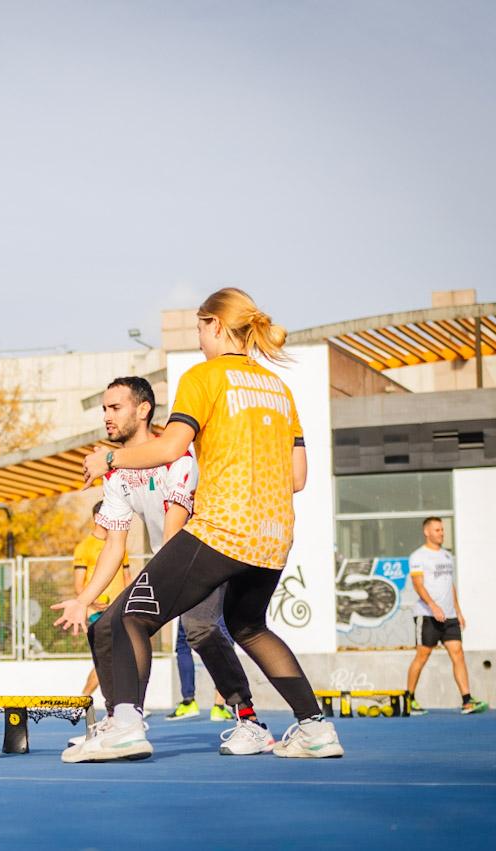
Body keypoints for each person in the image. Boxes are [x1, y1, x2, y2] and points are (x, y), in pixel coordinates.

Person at [55, 287, 343, 762]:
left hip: (219, 528)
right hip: (272, 534)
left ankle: (125, 723)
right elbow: (297, 478)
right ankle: (314, 727)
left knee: (129, 615)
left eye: (198, 327)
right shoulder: (278, 388)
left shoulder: (204, 377)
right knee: (248, 626)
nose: (198, 337)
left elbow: (170, 449)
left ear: (213, 325)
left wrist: (110, 457)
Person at [61, 376, 258, 761]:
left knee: (199, 629)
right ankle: (122, 721)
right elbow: (115, 544)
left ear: (143, 409)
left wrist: (156, 583)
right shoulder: (117, 475)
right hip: (168, 561)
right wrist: (83, 599)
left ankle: (249, 720)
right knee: (104, 625)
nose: (107, 417)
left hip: (205, 555)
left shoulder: (177, 457)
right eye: (104, 409)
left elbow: (174, 529)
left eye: (115, 408)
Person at [404, 517, 488, 716]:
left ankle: (467, 700)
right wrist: (433, 606)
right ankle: (409, 699)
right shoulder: (418, 556)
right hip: (428, 615)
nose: (441, 533)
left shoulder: (447, 556)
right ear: (427, 532)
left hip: (449, 617)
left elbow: (450, 585)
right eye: (437, 530)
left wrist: (457, 611)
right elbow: (418, 584)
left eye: (442, 530)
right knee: (422, 656)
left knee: (458, 652)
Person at [72, 502, 132, 710]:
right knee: (106, 657)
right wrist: (90, 601)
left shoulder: (120, 545)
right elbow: (78, 585)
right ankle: (85, 698)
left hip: (119, 611)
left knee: (118, 657)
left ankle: (122, 704)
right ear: (97, 517)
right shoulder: (84, 547)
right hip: (95, 613)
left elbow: (127, 578)